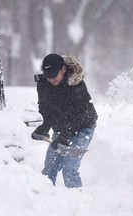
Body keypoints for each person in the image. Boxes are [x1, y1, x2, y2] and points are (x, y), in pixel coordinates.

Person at [31, 53, 98, 188]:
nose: (51, 79)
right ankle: (45, 201)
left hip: (83, 127)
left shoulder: (76, 84)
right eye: (48, 75)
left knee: (69, 169)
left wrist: (64, 137)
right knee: (49, 169)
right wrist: (44, 126)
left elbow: (82, 116)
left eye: (54, 75)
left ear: (63, 69)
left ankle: (78, 204)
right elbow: (45, 108)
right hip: (62, 129)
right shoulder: (43, 84)